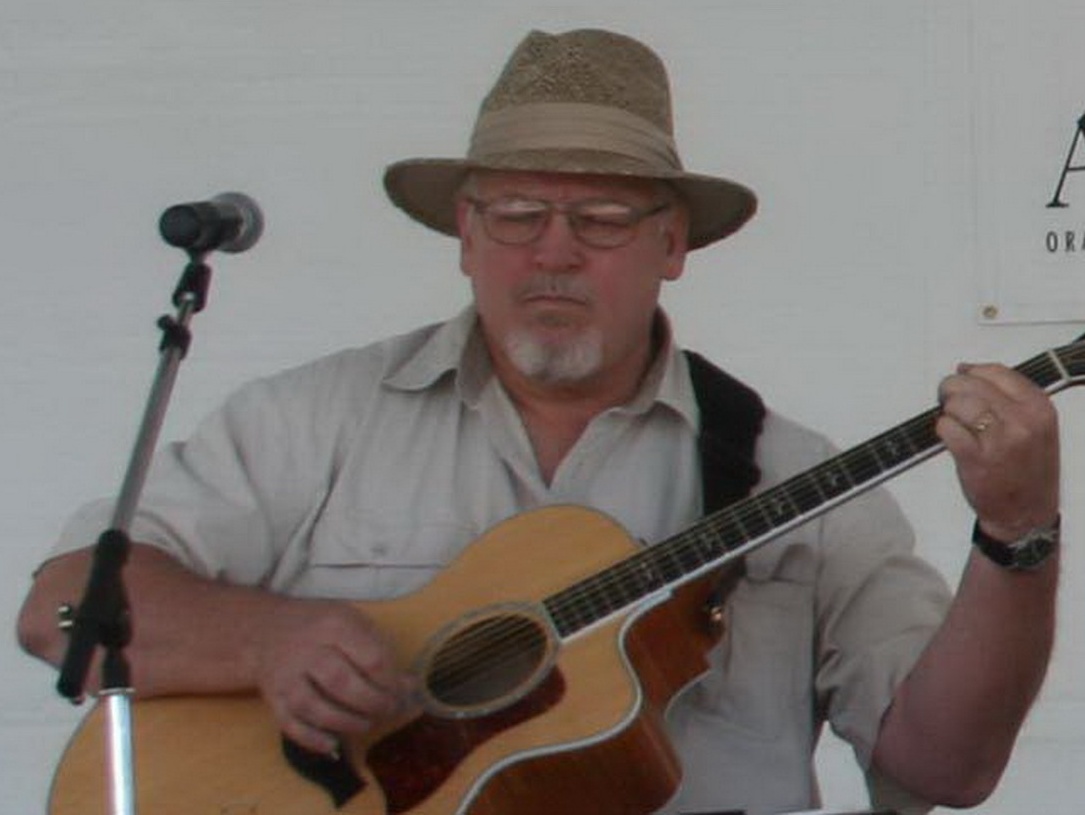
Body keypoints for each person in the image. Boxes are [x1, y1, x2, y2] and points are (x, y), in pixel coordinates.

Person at [17, 28, 1061, 815]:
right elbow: (59, 611)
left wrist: (1015, 535)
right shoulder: (311, 421)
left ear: (671, 245)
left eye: (599, 218)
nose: (552, 252)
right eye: (516, 214)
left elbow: (946, 766)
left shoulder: (786, 471)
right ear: (464, 234)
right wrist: (266, 639)